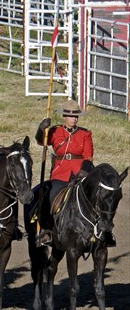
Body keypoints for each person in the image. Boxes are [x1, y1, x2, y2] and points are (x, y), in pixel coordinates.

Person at [34, 99, 111, 246]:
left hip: (81, 173)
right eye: (71, 116)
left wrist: (84, 171)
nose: (74, 119)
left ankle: (103, 231)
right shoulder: (55, 131)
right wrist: (41, 128)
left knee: (99, 197)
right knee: (48, 196)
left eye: (76, 116)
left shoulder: (85, 134)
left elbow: (88, 156)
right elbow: (41, 141)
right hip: (59, 173)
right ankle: (46, 230)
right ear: (64, 117)